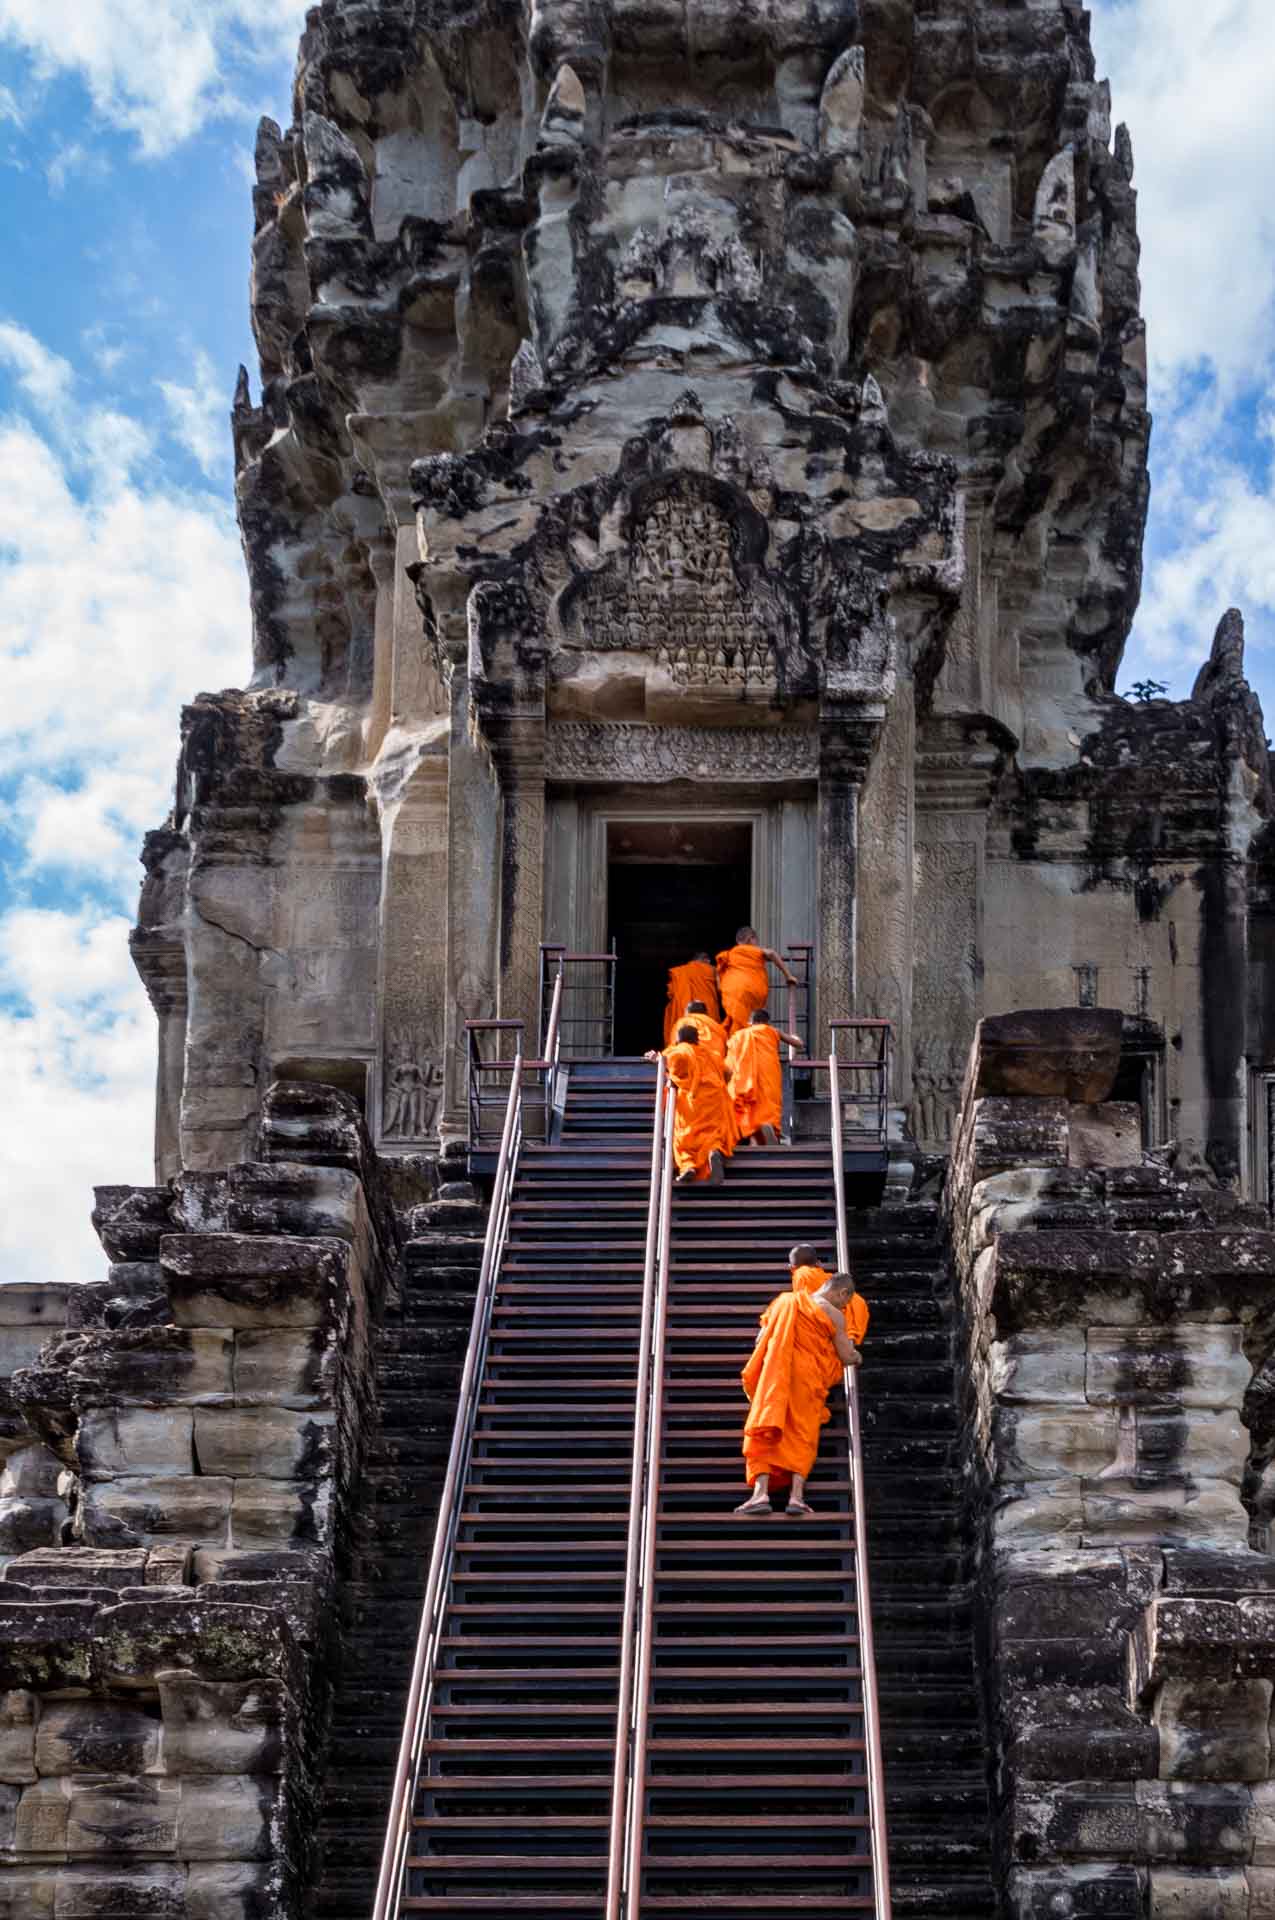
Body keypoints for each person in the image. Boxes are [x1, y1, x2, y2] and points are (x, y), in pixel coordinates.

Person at [736, 1269, 867, 1517]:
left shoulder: (784, 1301)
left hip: (776, 1374)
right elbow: (846, 1355)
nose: (844, 1307)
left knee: (765, 1427)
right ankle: (796, 1497)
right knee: (802, 1433)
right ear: (842, 1293)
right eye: (846, 1303)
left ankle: (760, 1494)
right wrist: (857, 1356)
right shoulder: (833, 1313)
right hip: (807, 1378)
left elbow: (760, 1340)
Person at [644, 1024, 734, 1185]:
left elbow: (672, 1061)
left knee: (682, 1137)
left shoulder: (678, 1051)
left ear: (678, 1039)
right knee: (711, 1134)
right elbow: (728, 1073)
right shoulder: (711, 1054)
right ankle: (713, 1151)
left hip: (693, 1100)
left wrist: (658, 1058)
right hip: (715, 1099)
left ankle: (687, 1166)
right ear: (697, 1039)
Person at [726, 1008, 802, 1145]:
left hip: (746, 1077)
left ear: (750, 1022)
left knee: (749, 1105)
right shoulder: (772, 1031)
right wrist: (795, 1036)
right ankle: (767, 1127)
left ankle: (752, 1135)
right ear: (767, 1022)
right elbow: (798, 1044)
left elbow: (729, 1062)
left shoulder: (739, 1035)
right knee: (768, 1102)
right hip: (769, 1072)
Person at [716, 926, 797, 1035]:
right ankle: (750, 1041)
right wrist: (788, 975)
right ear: (751, 938)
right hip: (752, 990)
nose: (757, 943)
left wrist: (721, 987)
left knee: (737, 1022)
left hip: (732, 992)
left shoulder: (730, 954)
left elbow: (718, 972)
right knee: (751, 1022)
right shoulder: (752, 949)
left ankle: (738, 1042)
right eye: (756, 940)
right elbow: (771, 953)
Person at [788, 1243, 870, 1346]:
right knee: (856, 1301)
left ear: (791, 1268)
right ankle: (849, 1338)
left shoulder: (800, 1275)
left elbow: (804, 1302)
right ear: (819, 1264)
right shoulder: (830, 1278)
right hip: (841, 1320)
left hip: (820, 1321)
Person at [663, 953, 722, 1047]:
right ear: (707, 960)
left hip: (684, 1012)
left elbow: (671, 994)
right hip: (708, 1011)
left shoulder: (680, 971)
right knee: (710, 1038)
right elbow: (721, 988)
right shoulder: (712, 969)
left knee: (684, 1039)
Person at [682, 998, 729, 1063]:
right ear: (706, 1012)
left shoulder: (683, 1022)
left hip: (692, 1060)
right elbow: (724, 1037)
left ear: (687, 1011)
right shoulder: (713, 1024)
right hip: (716, 1059)